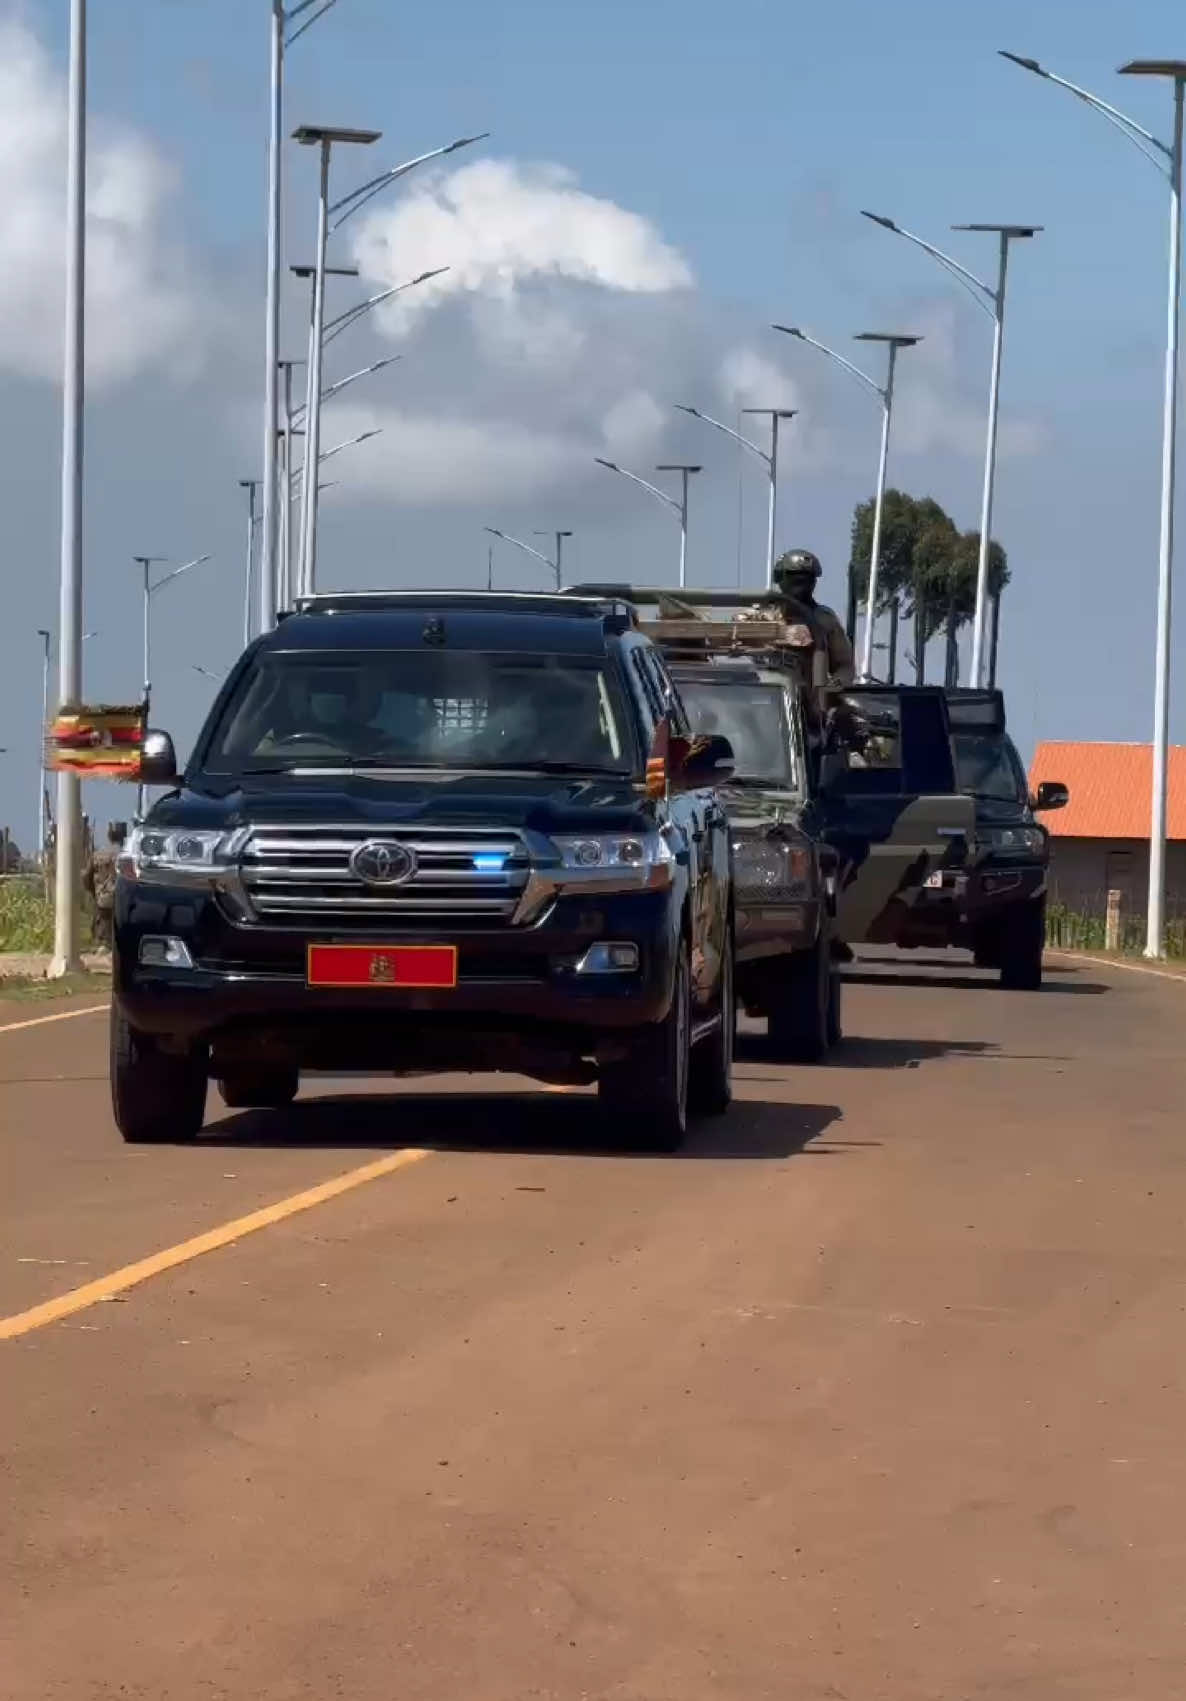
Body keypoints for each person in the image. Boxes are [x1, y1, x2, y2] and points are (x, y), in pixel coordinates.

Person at [771, 549, 855, 689]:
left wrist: (834, 686)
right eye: (795, 578)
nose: (801, 585)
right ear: (782, 579)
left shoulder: (824, 619)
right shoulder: (763, 617)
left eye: (807, 578)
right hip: (769, 696)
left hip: (813, 696)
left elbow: (844, 666)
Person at [85, 821, 124, 950]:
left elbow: (86, 877)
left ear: (108, 835)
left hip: (102, 898)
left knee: (102, 932)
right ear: (124, 835)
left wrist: (95, 892)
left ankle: (103, 947)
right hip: (121, 901)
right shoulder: (127, 856)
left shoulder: (97, 855)